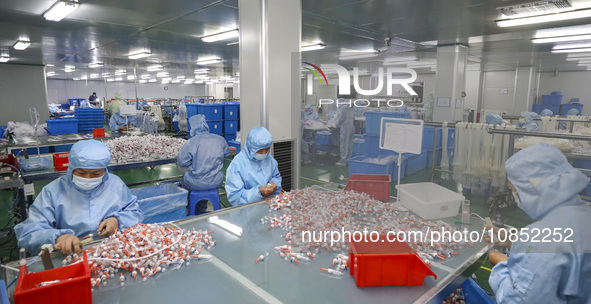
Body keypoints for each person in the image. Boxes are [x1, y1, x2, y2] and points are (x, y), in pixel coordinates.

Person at [485, 143, 591, 303]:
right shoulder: (583, 214)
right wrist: (514, 243)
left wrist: (500, 263)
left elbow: (517, 299)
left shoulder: (540, 238)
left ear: (531, 189)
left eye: (514, 189)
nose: (514, 195)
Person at [14, 140, 143, 254]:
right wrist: (58, 237)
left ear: (105, 170)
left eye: (96, 174)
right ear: (71, 168)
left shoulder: (115, 185)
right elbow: (29, 232)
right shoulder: (52, 192)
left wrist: (117, 220)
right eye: (81, 173)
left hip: (113, 250)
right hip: (70, 255)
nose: (87, 178)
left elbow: (134, 212)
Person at [178, 115, 230, 213]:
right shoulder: (219, 139)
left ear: (192, 127)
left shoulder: (191, 142)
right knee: (205, 185)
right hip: (216, 181)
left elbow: (182, 162)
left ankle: (190, 208)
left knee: (186, 179)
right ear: (206, 125)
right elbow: (227, 153)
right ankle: (202, 208)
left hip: (196, 183)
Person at [225, 127, 281, 206]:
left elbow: (276, 176)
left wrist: (275, 184)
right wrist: (258, 191)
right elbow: (235, 196)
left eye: (267, 149)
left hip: (268, 208)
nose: (264, 154)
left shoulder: (269, 160)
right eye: (260, 151)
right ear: (251, 148)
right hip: (247, 212)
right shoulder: (237, 164)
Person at [336, 100, 355, 166]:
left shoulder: (343, 108)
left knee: (344, 144)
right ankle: (348, 159)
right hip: (351, 127)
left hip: (345, 127)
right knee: (349, 144)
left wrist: (336, 123)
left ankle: (343, 161)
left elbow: (341, 119)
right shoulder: (351, 108)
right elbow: (353, 118)